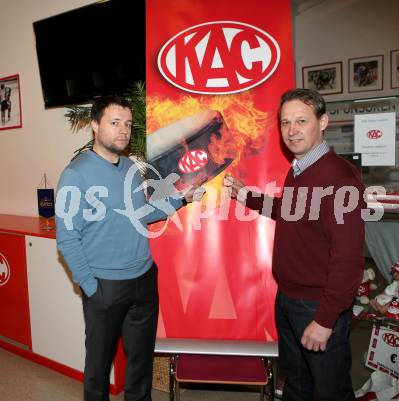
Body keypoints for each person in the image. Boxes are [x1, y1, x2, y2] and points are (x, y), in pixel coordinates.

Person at [56, 95, 204, 401]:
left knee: (139, 366)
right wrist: (91, 288)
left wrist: (181, 199)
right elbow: (67, 238)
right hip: (105, 287)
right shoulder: (75, 174)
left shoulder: (131, 169)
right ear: (95, 125)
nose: (123, 131)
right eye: (114, 123)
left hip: (144, 280)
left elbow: (143, 213)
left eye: (127, 124)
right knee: (98, 369)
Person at [224, 88, 365, 401]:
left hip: (317, 307)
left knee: (332, 392)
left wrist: (325, 320)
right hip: (288, 299)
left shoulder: (340, 178)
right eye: (286, 123)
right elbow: (289, 211)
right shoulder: (299, 170)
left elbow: (349, 260)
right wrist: (246, 195)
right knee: (296, 384)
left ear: (323, 121)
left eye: (301, 121)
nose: (292, 130)